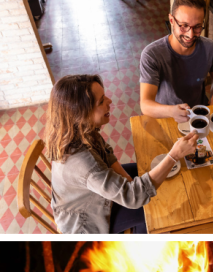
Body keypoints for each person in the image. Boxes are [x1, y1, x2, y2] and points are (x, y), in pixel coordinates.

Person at [47, 75, 197, 234]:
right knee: (157, 213)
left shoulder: (79, 129)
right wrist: (173, 156)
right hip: (90, 220)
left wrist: (129, 182)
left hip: (94, 192)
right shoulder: (83, 164)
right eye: (101, 101)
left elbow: (106, 152)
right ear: (81, 114)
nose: (110, 101)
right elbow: (135, 198)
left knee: (144, 173)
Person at [139, 0, 213, 122]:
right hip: (165, 116)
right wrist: (171, 111)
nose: (190, 35)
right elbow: (145, 104)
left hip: (198, 113)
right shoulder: (152, 54)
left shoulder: (210, 48)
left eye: (197, 27)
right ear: (172, 20)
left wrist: (211, 108)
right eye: (184, 25)